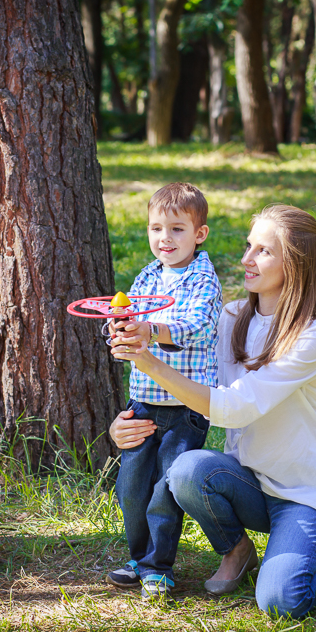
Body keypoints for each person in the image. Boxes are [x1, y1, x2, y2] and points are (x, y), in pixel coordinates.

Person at [109, 204, 316, 618]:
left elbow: (235, 408)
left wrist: (149, 363)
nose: (246, 259)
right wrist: (125, 421)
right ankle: (237, 550)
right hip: (248, 480)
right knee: (186, 470)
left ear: (296, 264)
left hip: (304, 495)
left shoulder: (313, 335)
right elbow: (184, 362)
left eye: (263, 251)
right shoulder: (232, 317)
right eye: (249, 246)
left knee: (280, 602)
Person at [105, 183, 223, 599]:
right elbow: (127, 326)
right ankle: (139, 557)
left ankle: (159, 566)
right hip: (143, 402)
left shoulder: (201, 279)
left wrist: (152, 331)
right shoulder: (147, 275)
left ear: (199, 234)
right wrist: (120, 328)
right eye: (156, 228)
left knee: (165, 489)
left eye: (176, 229)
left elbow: (200, 328)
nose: (164, 239)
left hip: (185, 409)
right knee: (132, 486)